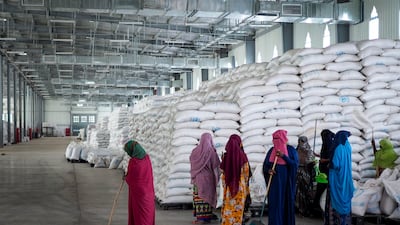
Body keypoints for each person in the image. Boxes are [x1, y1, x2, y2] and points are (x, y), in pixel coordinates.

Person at [263, 129, 298, 225]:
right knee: (275, 205)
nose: (275, 141)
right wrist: (268, 170)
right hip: (274, 186)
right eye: (274, 139)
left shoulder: (291, 150)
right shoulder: (271, 151)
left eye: (277, 139)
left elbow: (294, 165)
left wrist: (284, 157)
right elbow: (265, 165)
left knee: (286, 205)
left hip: (287, 185)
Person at [220, 134, 251, 225]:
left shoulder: (226, 157)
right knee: (237, 209)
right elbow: (246, 173)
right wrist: (244, 184)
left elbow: (222, 172)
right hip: (240, 187)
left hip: (229, 187)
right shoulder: (243, 156)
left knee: (228, 207)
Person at [324, 130, 354, 225]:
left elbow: (335, 164)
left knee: (337, 199)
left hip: (338, 178)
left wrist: (329, 165)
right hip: (347, 177)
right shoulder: (348, 146)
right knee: (345, 198)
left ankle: (335, 221)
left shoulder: (338, 148)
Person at [190, 133, 221, 224]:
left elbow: (192, 162)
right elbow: (216, 164)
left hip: (197, 178)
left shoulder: (194, 151)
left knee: (199, 197)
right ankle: (206, 217)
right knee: (206, 197)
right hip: (208, 179)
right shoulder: (211, 152)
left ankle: (200, 218)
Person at [123, 140, 155, 225]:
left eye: (128, 152)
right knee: (147, 214)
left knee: (139, 216)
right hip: (149, 193)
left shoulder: (133, 162)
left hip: (139, 196)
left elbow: (131, 180)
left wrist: (126, 177)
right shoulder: (147, 158)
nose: (128, 154)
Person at [312, 129, 334, 216]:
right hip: (322, 171)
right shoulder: (325, 144)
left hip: (326, 171)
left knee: (322, 188)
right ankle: (316, 206)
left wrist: (323, 160)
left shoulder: (330, 145)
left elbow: (332, 158)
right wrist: (317, 155)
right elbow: (324, 155)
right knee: (320, 188)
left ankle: (318, 206)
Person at [295, 136, 315, 217]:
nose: (302, 143)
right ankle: (300, 210)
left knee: (307, 192)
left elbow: (312, 163)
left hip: (306, 175)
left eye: (303, 141)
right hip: (297, 175)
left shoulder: (309, 151)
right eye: (301, 141)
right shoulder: (296, 151)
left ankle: (307, 210)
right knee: (298, 193)